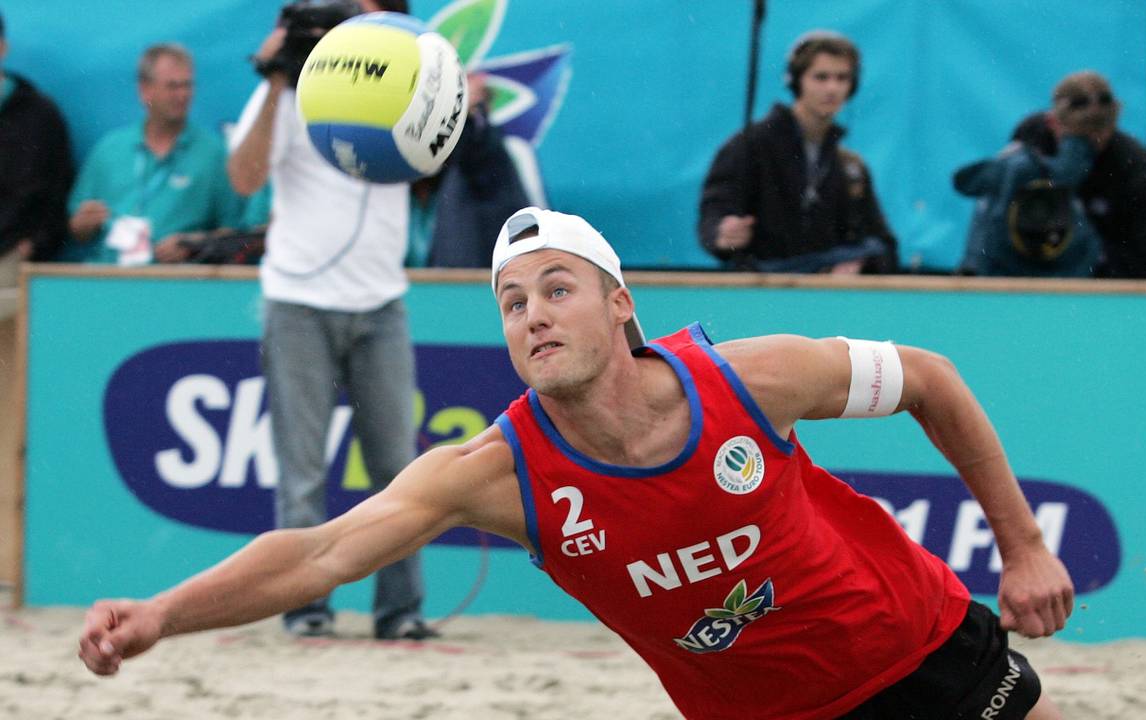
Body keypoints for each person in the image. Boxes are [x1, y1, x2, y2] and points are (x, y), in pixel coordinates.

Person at [81, 205, 1073, 719]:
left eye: (557, 288)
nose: (533, 314)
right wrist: (163, 614)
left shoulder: (747, 381)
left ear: (619, 306)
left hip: (920, 659)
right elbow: (317, 555)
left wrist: (1021, 547)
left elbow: (930, 380)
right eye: (512, 303)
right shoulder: (494, 471)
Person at [225, 0, 430, 640]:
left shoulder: (406, 82)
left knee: (401, 469)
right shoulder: (297, 92)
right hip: (299, 300)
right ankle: (305, 608)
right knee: (302, 471)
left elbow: (439, 157)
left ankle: (400, 611)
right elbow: (244, 176)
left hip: (380, 299)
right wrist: (277, 76)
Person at [698, 30, 898, 274]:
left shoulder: (850, 166)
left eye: (842, 78)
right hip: (758, 295)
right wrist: (722, 234)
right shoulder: (749, 145)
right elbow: (714, 216)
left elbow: (885, 244)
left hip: (824, 301)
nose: (832, 88)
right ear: (796, 80)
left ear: (852, 85)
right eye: (821, 77)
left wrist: (857, 263)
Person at [62, 43, 243, 266]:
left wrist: (195, 245)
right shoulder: (109, 149)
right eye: (172, 86)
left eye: (187, 85)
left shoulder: (214, 153)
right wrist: (83, 224)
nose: (182, 95)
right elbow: (76, 230)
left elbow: (235, 233)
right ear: (145, 90)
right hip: (109, 278)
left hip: (178, 284)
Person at [1009, 71, 1146, 279]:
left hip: (1101, 284)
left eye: (1098, 135)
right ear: (1052, 123)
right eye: (1079, 137)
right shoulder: (1030, 141)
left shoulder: (1135, 170)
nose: (1087, 147)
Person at [953, 75, 1105, 278]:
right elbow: (966, 183)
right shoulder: (1024, 157)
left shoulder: (1124, 160)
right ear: (1052, 122)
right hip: (1024, 267)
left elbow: (964, 181)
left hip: (1048, 271)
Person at [417, 72, 532, 268]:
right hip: (453, 259)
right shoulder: (447, 145)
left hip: (485, 258)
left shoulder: (486, 138)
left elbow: (476, 157)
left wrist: (467, 114)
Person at [0, 10, 74, 268]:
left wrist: (35, 245)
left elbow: (59, 192)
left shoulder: (40, 116)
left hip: (11, 257)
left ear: (3, 47)